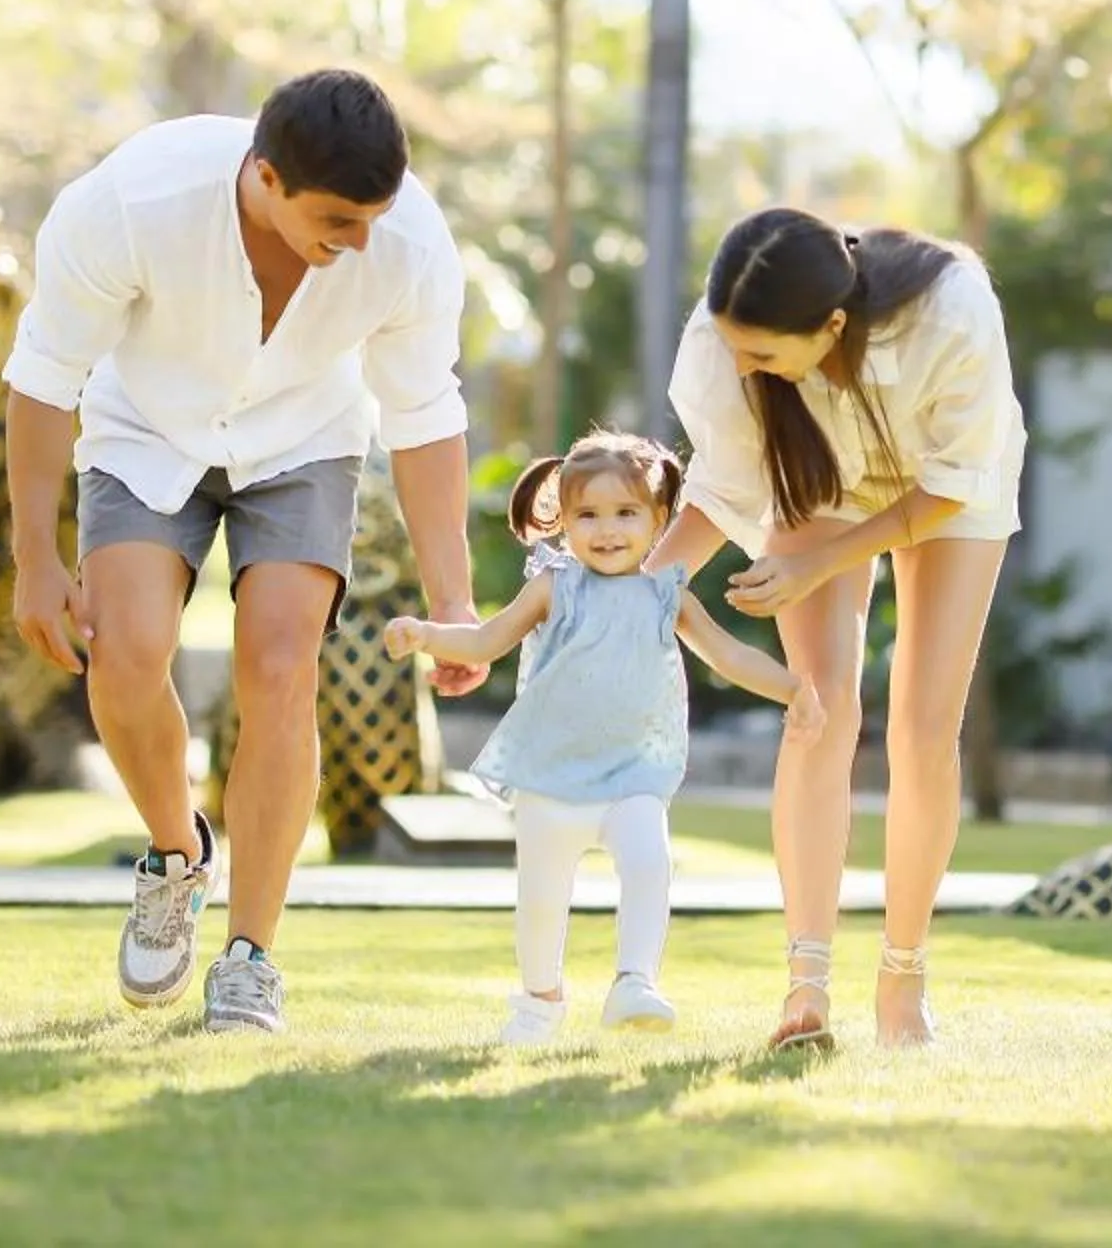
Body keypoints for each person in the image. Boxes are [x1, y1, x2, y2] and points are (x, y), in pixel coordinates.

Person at [1, 68, 482, 1036]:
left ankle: (251, 957)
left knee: (279, 662)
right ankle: (176, 857)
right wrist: (34, 560)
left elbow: (425, 417)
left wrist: (456, 599)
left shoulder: (410, 246)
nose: (358, 244)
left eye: (373, 219)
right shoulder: (133, 202)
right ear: (264, 177)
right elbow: (45, 377)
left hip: (305, 437)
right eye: (337, 220)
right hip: (146, 428)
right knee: (127, 656)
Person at [644, 209, 1026, 1050]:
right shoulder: (721, 340)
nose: (742, 364)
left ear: (833, 326)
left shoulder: (953, 310)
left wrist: (817, 565)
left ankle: (903, 977)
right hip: (819, 485)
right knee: (817, 710)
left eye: (764, 355)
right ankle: (805, 989)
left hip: (949, 490)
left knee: (924, 729)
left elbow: (949, 488)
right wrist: (637, 591)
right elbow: (727, 488)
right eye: (735, 345)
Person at [386, 431, 821, 1047]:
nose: (607, 529)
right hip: (551, 777)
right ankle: (539, 1000)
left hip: (633, 775)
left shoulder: (665, 595)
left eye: (626, 513)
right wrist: (425, 636)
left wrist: (792, 688)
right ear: (563, 522)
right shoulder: (555, 587)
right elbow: (486, 642)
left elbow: (726, 656)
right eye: (587, 515)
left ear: (658, 519)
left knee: (649, 863)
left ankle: (634, 981)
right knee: (541, 897)